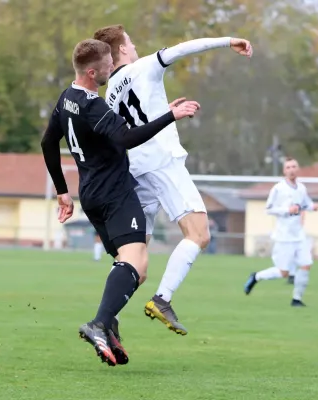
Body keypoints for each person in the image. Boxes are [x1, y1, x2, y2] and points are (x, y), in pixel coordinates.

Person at [41, 39, 199, 366]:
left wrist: (61, 190)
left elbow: (47, 142)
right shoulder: (91, 106)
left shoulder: (66, 99)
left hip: (90, 194)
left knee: (130, 269)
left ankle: (109, 326)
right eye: (109, 64)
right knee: (138, 261)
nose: (113, 67)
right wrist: (170, 115)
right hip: (115, 193)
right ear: (91, 71)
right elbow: (127, 139)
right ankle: (99, 323)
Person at [93, 25, 253, 335]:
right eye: (131, 41)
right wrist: (228, 41)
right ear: (122, 51)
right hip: (162, 162)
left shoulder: (110, 92)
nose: (135, 45)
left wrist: (162, 112)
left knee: (135, 262)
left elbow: (128, 128)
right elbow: (183, 48)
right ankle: (162, 299)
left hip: (135, 171)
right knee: (199, 234)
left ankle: (105, 319)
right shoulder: (144, 67)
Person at [243, 157, 318, 307]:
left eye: (294, 167)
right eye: (288, 167)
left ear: (297, 169)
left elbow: (305, 204)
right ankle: (256, 277)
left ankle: (296, 299)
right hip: (284, 237)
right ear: (284, 171)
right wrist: (286, 210)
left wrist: (312, 206)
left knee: (306, 264)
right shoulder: (278, 188)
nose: (291, 170)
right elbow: (268, 209)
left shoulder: (302, 188)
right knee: (283, 272)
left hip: (299, 235)